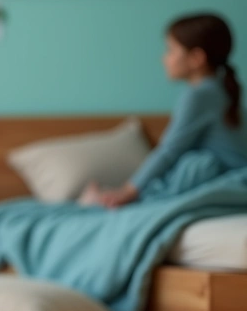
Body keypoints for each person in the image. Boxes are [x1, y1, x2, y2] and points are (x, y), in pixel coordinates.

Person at [83, 12, 246, 208]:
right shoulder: (219, 87)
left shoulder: (199, 95)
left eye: (171, 50)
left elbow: (169, 151)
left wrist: (128, 191)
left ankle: (106, 198)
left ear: (196, 58)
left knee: (191, 166)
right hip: (236, 175)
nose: (164, 58)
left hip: (226, 179)